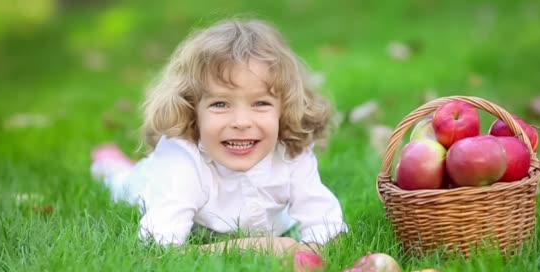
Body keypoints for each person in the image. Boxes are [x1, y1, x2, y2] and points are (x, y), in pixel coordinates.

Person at [91, 18, 348, 256]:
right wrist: (257, 246)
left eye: (260, 103)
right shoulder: (182, 160)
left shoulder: (291, 148)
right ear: (193, 110)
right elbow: (160, 249)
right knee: (122, 183)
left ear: (284, 109)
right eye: (220, 105)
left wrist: (309, 252)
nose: (241, 122)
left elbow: (328, 230)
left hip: (258, 221)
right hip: (150, 183)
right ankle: (110, 166)